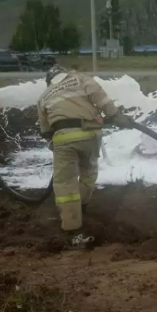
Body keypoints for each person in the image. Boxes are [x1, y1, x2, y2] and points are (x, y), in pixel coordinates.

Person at [37, 65, 133, 248]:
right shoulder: (81, 78)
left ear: (49, 81)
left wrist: (55, 145)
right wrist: (115, 115)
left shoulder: (44, 96)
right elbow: (101, 97)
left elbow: (45, 130)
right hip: (90, 135)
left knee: (65, 182)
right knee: (88, 171)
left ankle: (72, 226)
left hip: (63, 139)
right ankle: (81, 204)